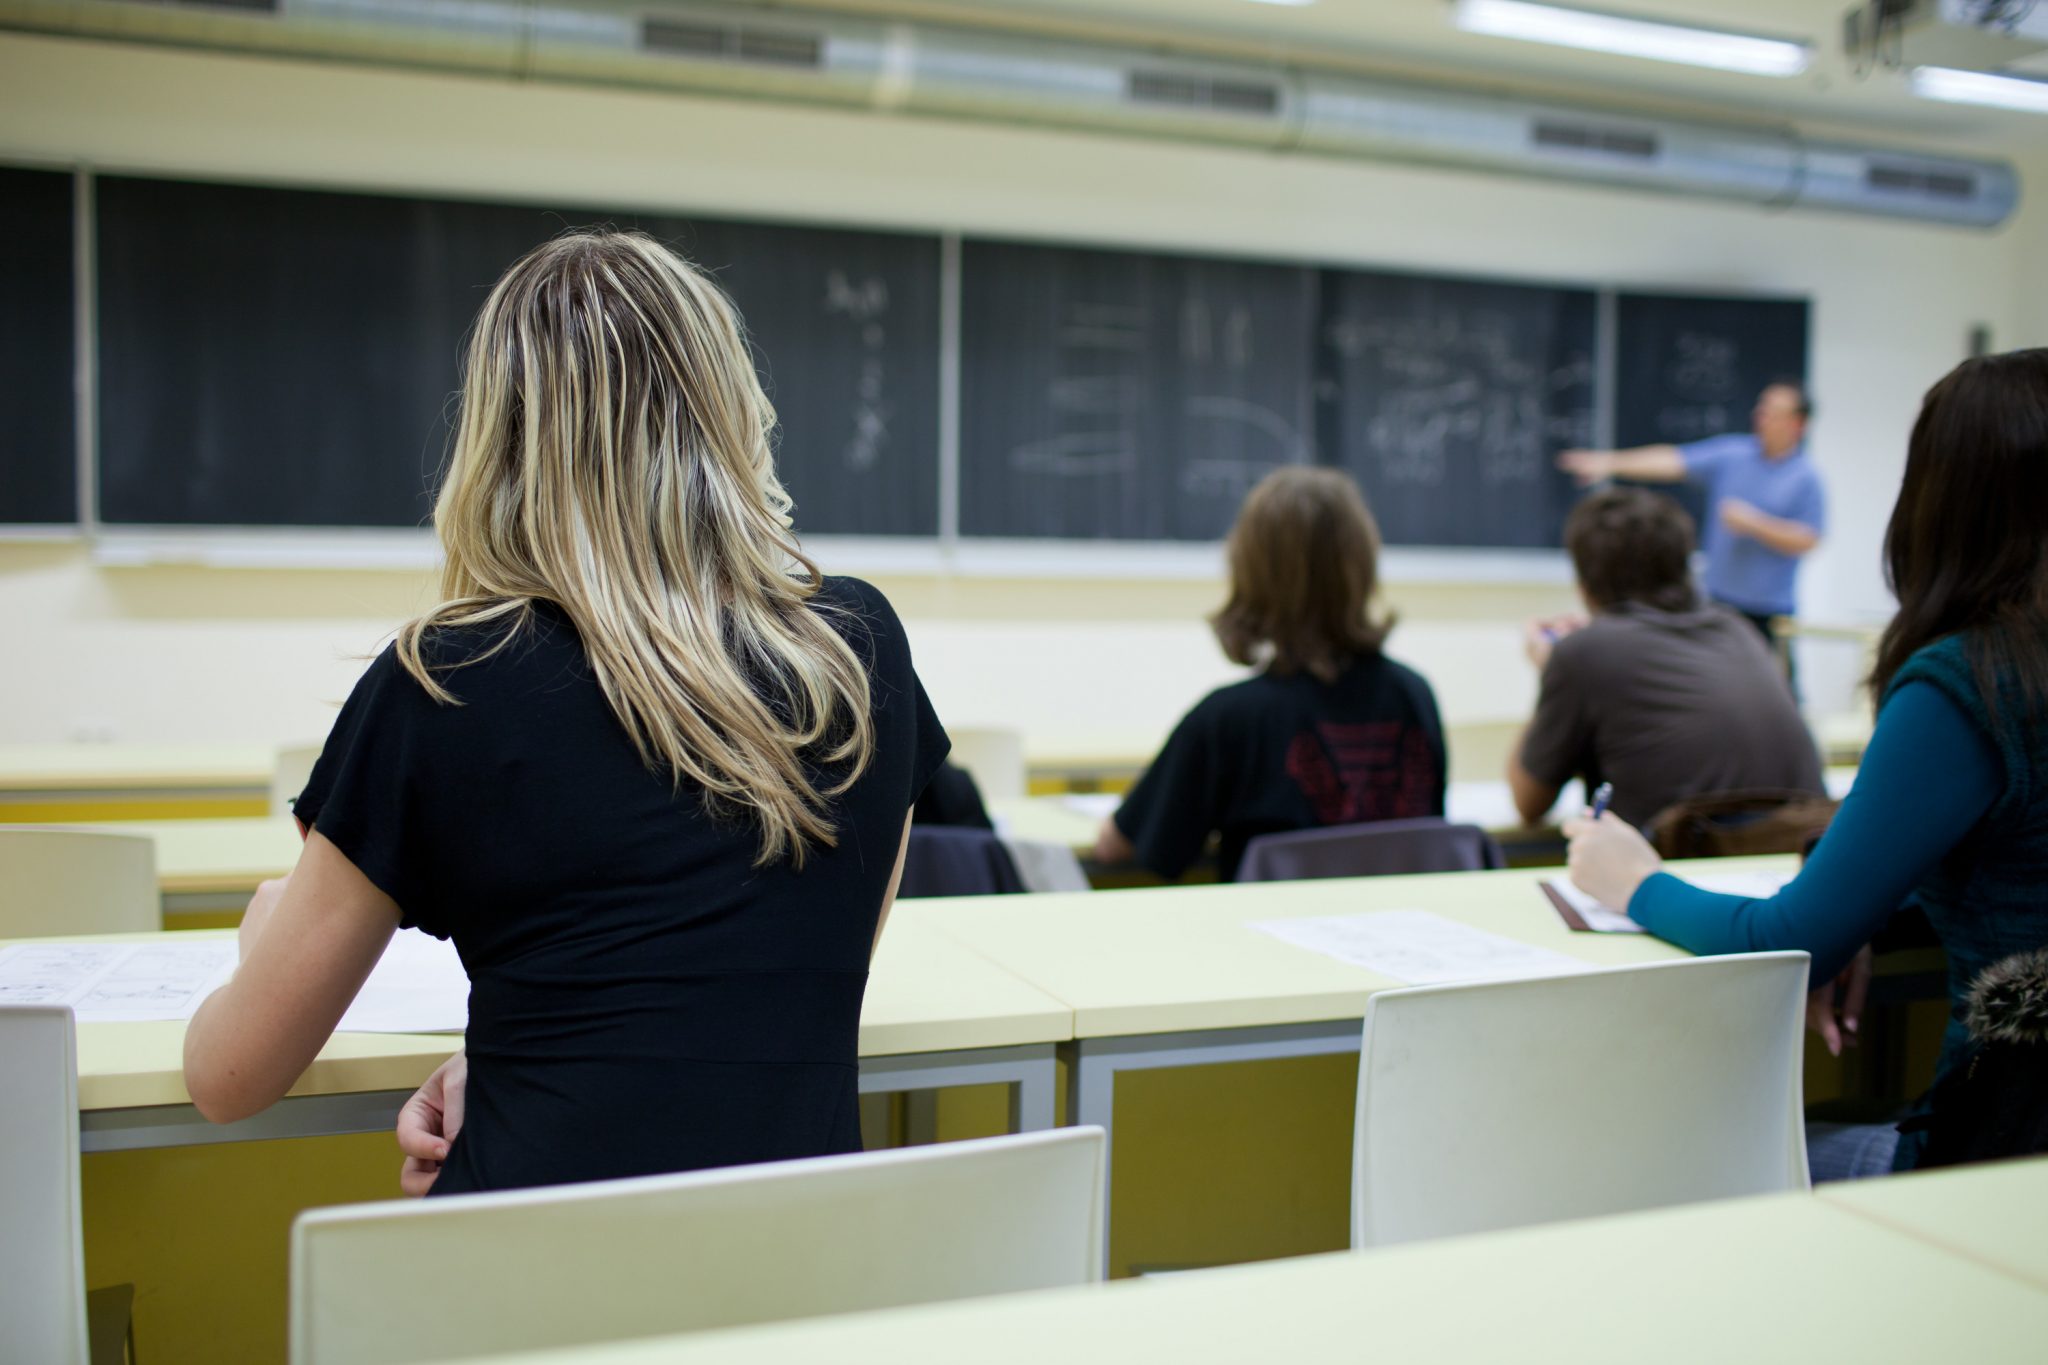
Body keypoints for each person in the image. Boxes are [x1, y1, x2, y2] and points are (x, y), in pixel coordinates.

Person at [183, 231, 949, 1196]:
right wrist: (522, 1066)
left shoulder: (446, 680)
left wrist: (263, 939)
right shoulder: (855, 650)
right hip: (799, 1281)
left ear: (502, 440)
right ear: (731, 410)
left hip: (529, 1289)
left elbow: (228, 1079)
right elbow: (767, 989)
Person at [1564, 349, 2048, 1178]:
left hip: (1994, 1159)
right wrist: (1864, 906)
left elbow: (1790, 944)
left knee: (1698, 1158)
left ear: (1945, 498)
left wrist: (1633, 879)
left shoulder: (1969, 685)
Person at [1094, 467, 1445, 882]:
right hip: (1399, 932)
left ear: (1250, 572)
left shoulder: (1228, 720)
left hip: (1265, 940)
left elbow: (1117, 846)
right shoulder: (1414, 695)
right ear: (1364, 564)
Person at [1510, 487, 1823, 830]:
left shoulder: (1583, 653)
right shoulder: (1738, 629)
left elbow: (1528, 803)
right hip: (1794, 862)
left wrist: (1549, 669)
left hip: (1682, 868)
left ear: (1584, 581)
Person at [1557, 382, 1824, 666]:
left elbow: (1808, 539)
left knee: (1774, 686)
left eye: (1773, 412)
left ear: (1798, 423)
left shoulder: (1806, 478)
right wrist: (1609, 463)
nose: (1762, 417)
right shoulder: (1734, 455)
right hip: (1718, 601)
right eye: (1761, 409)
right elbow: (1672, 460)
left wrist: (1754, 523)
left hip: (1769, 610)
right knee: (1712, 675)